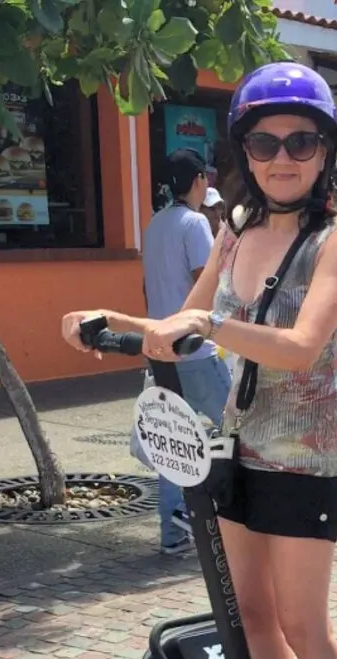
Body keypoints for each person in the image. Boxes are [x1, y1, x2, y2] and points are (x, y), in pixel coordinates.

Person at [62, 63, 337, 659]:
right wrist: (110, 319)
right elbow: (180, 324)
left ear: (324, 150)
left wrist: (208, 323)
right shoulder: (231, 231)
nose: (282, 159)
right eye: (264, 144)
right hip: (238, 449)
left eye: (300, 142)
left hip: (306, 455)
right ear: (243, 152)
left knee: (301, 624)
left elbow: (298, 347)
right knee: (251, 618)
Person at [142, 149, 231, 554]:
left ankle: (172, 532)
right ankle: (232, 519)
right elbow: (207, 282)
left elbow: (148, 287)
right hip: (195, 350)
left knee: (172, 440)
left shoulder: (155, 225)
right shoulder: (195, 224)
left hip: (162, 349)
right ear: (198, 180)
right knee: (239, 432)